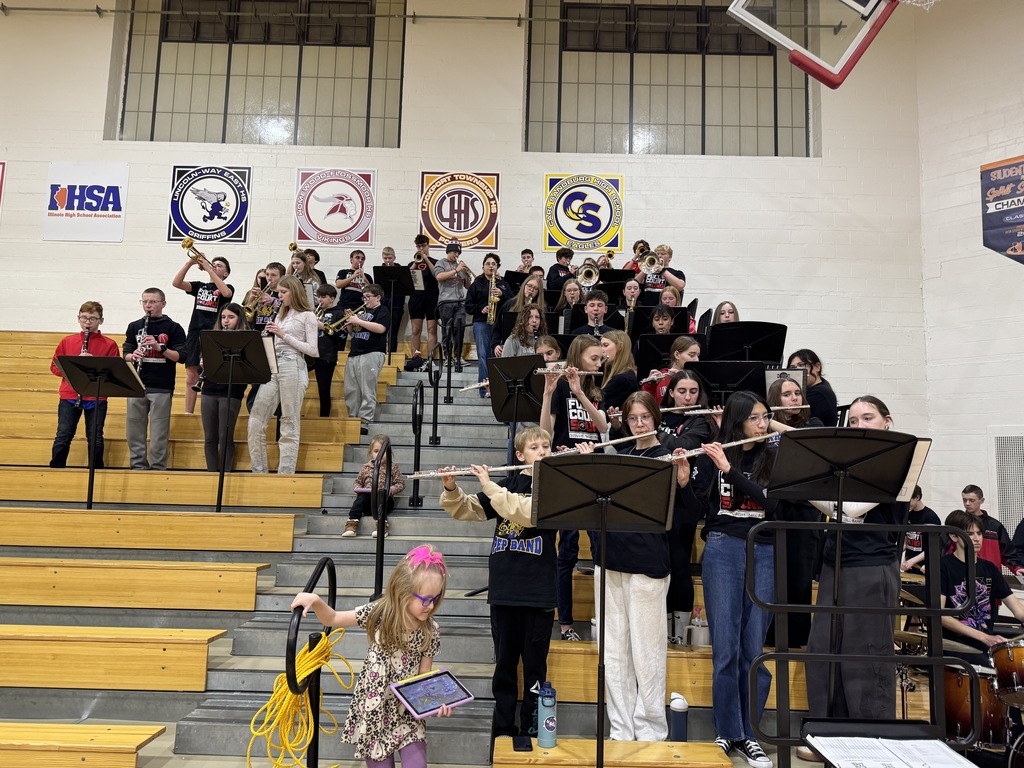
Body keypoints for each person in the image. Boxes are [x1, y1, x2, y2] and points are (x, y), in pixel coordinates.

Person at [799, 396, 909, 761]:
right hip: (835, 563)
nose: (859, 424)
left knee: (865, 657)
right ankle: (828, 737)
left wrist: (826, 494)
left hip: (872, 567)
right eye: (855, 419)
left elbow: (852, 509)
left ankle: (871, 741)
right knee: (823, 652)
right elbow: (831, 504)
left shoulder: (900, 461)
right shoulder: (843, 463)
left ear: (886, 422)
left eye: (868, 417)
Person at [578, 392, 688, 742]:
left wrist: (682, 482)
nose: (638, 424)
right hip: (610, 563)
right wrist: (588, 466)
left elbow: (686, 516)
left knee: (647, 653)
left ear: (656, 418)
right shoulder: (619, 457)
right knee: (613, 653)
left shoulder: (667, 457)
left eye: (645, 417)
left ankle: (652, 731)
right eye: (632, 418)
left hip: (647, 566)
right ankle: (622, 730)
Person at [677, 390, 777, 768]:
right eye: (755, 418)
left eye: (765, 417)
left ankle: (750, 735)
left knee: (754, 650)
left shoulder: (773, 456)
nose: (762, 424)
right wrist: (686, 482)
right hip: (721, 549)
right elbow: (700, 511)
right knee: (726, 650)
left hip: (763, 551)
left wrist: (730, 471)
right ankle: (727, 731)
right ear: (737, 421)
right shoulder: (715, 455)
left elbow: (774, 504)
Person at [439, 427, 557, 739]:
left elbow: (527, 513)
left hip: (538, 594)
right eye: (535, 447)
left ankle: (533, 729)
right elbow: (469, 510)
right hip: (505, 592)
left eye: (547, 446)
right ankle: (503, 730)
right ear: (520, 456)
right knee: (504, 667)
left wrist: (489, 486)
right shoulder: (509, 484)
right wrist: (452, 490)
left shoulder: (555, 487)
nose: (543, 451)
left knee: (535, 669)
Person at [290, 545, 450, 768]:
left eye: (436, 598)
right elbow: (333, 618)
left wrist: (435, 703)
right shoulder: (380, 613)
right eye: (425, 599)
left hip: (407, 712)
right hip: (375, 709)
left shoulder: (430, 630)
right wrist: (316, 601)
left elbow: (424, 676)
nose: (431, 605)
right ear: (402, 592)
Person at [540, 335, 608, 641]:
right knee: (565, 551)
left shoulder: (594, 388)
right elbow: (545, 432)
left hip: (595, 473)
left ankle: (602, 621)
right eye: (594, 358)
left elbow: (603, 427)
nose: (599, 363)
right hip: (567, 471)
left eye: (601, 359)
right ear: (578, 356)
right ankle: (565, 624)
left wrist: (581, 393)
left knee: (600, 552)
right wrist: (547, 394)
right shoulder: (561, 386)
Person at [764, 376, 823, 650]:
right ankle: (769, 639)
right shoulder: (763, 432)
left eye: (798, 393)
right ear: (776, 399)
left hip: (803, 516)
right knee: (772, 582)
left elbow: (800, 442)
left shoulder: (814, 425)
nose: (795, 398)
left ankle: (798, 643)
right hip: (775, 513)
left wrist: (765, 419)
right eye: (787, 394)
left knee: (798, 583)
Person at [247, 275, 318, 474]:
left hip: (293, 364)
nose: (279, 296)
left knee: (289, 420)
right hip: (272, 365)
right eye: (279, 292)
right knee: (256, 419)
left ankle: (285, 474)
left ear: (294, 292)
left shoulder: (307, 315)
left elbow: (312, 350)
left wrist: (282, 335)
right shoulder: (279, 314)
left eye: (283, 292)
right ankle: (258, 471)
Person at [940, 509, 1024, 666]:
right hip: (955, 648)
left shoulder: (990, 568)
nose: (977, 539)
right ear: (954, 536)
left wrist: (987, 639)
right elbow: (941, 615)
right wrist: (984, 637)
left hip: (986, 647)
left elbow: (1017, 609)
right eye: (970, 534)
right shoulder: (943, 567)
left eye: (979, 533)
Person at [49, 301, 121, 469]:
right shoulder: (68, 341)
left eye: (92, 319)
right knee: (63, 435)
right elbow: (54, 367)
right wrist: (75, 366)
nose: (87, 322)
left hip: (96, 396)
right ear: (78, 318)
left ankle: (95, 471)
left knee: (95, 436)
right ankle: (56, 470)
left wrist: (91, 364)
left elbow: (113, 373)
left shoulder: (109, 344)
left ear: (101, 321)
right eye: (84, 318)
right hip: (70, 395)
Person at [123, 288, 187, 471]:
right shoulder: (135, 326)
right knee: (134, 431)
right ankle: (138, 467)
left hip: (161, 386)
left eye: (152, 301)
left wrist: (160, 348)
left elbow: (181, 357)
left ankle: (158, 469)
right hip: (136, 383)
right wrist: (132, 356)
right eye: (145, 301)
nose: (148, 305)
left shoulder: (173, 327)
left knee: (159, 433)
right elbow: (125, 351)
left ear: (163, 304)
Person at [171, 250, 233, 415]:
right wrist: (190, 263)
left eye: (219, 265)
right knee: (191, 374)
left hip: (213, 334)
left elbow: (226, 294)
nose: (214, 265)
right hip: (194, 332)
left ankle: (209, 411)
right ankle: (188, 413)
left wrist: (209, 269)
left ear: (225, 273)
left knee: (209, 372)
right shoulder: (200, 286)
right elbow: (176, 283)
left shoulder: (227, 287)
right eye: (214, 263)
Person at [199, 303, 249, 472]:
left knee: (225, 436)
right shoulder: (212, 338)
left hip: (231, 393)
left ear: (239, 319)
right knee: (209, 438)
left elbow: (248, 369)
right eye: (223, 317)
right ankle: (211, 474)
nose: (225, 321)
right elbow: (202, 366)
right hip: (209, 390)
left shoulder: (246, 341)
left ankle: (224, 474)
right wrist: (203, 363)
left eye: (230, 317)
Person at [345, 284, 390, 435]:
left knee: (367, 389)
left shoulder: (382, 310)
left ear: (378, 297)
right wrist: (350, 323)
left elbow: (381, 328)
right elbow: (353, 333)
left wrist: (358, 321)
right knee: (351, 390)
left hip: (371, 352)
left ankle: (365, 421)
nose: (365, 300)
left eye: (368, 297)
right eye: (363, 297)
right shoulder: (362, 312)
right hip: (354, 353)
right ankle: (353, 419)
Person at [464, 253, 513, 391]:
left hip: (500, 324)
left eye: (494, 264)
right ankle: (485, 389)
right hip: (481, 323)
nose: (491, 266)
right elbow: (468, 306)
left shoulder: (503, 284)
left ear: (497, 267)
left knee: (498, 355)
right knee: (483, 355)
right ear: (483, 266)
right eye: (488, 264)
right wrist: (481, 309)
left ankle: (500, 389)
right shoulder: (476, 284)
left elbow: (513, 301)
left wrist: (502, 295)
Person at [344, 434, 405, 538]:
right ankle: (352, 524)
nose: (380, 454)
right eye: (376, 451)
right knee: (361, 499)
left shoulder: (393, 467)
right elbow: (357, 482)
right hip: (368, 500)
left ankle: (381, 526)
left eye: (383, 451)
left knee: (383, 501)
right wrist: (358, 489)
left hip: (384, 498)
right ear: (371, 453)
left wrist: (392, 489)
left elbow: (400, 483)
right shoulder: (365, 467)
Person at [959, 484, 1024, 575]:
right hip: (964, 574)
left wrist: (1017, 568)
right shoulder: (957, 524)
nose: (967, 503)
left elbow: (1008, 552)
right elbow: (946, 551)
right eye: (964, 500)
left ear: (982, 501)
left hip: (991, 576)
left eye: (972, 500)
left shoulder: (995, 526)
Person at [434, 242, 471, 370]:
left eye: (458, 253)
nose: (457, 255)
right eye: (455, 252)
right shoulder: (441, 263)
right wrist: (456, 270)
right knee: (447, 330)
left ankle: (458, 356)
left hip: (460, 302)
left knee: (460, 329)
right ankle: (447, 357)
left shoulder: (460, 266)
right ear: (448, 252)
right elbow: (439, 276)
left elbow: (468, 286)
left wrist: (467, 275)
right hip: (446, 302)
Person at [406, 235, 439, 370]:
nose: (421, 248)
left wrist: (425, 258)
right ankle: (416, 357)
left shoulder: (436, 262)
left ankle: (430, 359)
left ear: (428, 245)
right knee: (416, 329)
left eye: (423, 246)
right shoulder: (412, 264)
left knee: (432, 329)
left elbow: (436, 274)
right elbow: (407, 277)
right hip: (416, 297)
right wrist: (416, 262)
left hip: (431, 297)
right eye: (418, 246)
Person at [598, 330, 639, 436]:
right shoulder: (622, 376)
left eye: (605, 345)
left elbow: (598, 402)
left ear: (620, 347)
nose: (601, 350)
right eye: (600, 346)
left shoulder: (623, 380)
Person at [494, 274, 547, 355]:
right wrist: (495, 345)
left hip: (534, 346)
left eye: (535, 288)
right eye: (529, 286)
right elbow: (497, 327)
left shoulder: (542, 308)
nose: (531, 290)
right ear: (524, 286)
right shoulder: (510, 304)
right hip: (512, 345)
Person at [312, 284, 344, 417]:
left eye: (323, 297)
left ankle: (323, 417)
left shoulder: (339, 313)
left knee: (323, 389)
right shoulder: (314, 313)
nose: (320, 300)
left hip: (326, 355)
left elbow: (341, 337)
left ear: (332, 299)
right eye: (319, 297)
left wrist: (322, 326)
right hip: (310, 352)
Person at [786, 349, 838, 427]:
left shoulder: (820, 393)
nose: (797, 371)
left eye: (802, 365)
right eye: (793, 368)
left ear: (817, 367)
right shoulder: (822, 385)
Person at [642, 334, 701, 402]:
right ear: (677, 355)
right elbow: (645, 403)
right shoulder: (662, 377)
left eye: (698, 355)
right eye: (692, 355)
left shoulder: (697, 378)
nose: (697, 360)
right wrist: (650, 386)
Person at [901, 485, 941, 574]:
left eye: (908, 500)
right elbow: (906, 540)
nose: (905, 504)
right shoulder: (908, 515)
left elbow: (934, 547)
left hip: (923, 568)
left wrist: (912, 561)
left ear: (917, 497)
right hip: (909, 567)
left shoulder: (931, 517)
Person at [380, 246, 405, 354]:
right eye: (385, 258)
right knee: (381, 331)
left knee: (393, 332)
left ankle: (392, 354)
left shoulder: (400, 270)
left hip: (397, 305)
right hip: (384, 305)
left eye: (390, 258)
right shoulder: (380, 270)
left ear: (394, 258)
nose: (387, 261)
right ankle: (380, 353)